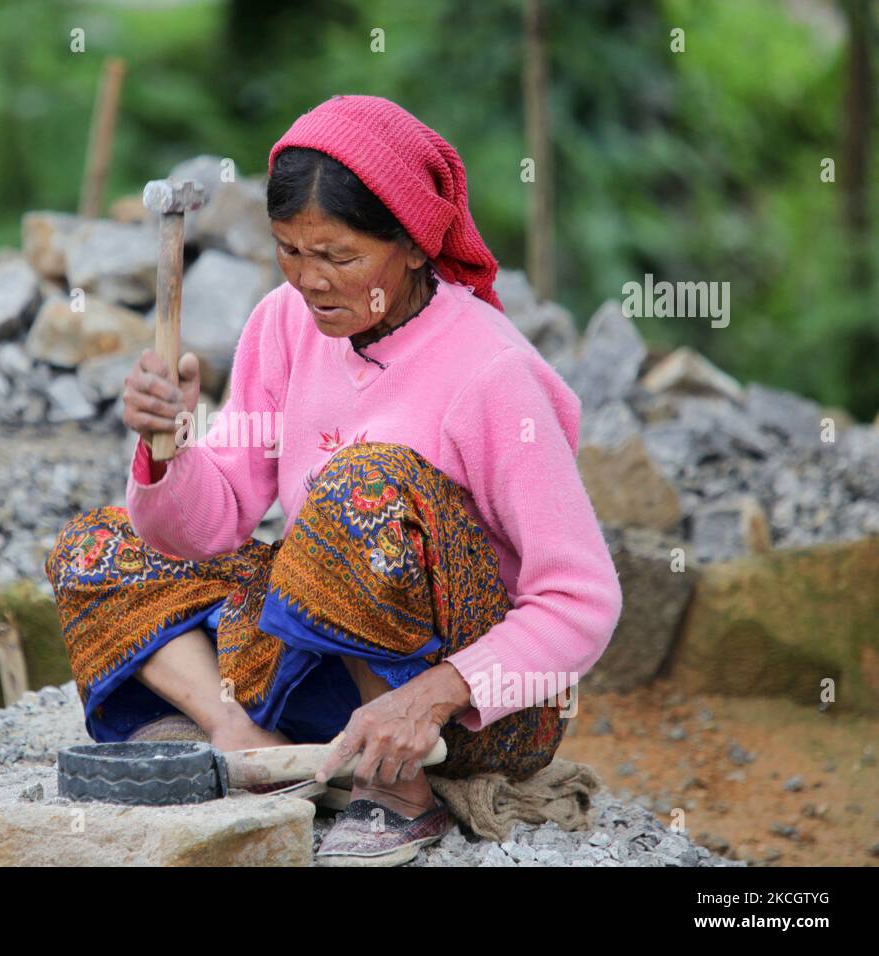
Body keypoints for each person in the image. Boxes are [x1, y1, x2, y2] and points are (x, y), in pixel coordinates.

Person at [45, 94, 623, 865]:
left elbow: (583, 599)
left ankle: (394, 788)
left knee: (360, 489)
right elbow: (212, 525)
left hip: (473, 708)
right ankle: (239, 744)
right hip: (320, 659)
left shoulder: (493, 372)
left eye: (340, 257)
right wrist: (167, 449)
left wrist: (437, 693)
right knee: (96, 544)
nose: (311, 282)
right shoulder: (283, 324)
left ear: (416, 246)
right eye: (290, 251)